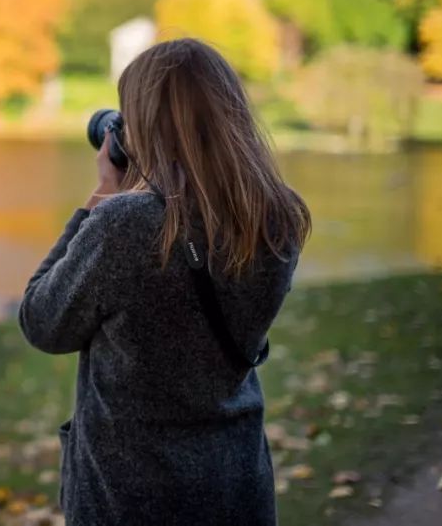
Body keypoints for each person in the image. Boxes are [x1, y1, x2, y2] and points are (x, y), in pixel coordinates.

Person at [19, 38, 311, 526]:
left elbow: (42, 322)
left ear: (147, 128)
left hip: (132, 496)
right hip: (237, 479)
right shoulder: (277, 214)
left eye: (128, 120)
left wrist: (102, 196)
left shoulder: (128, 223)